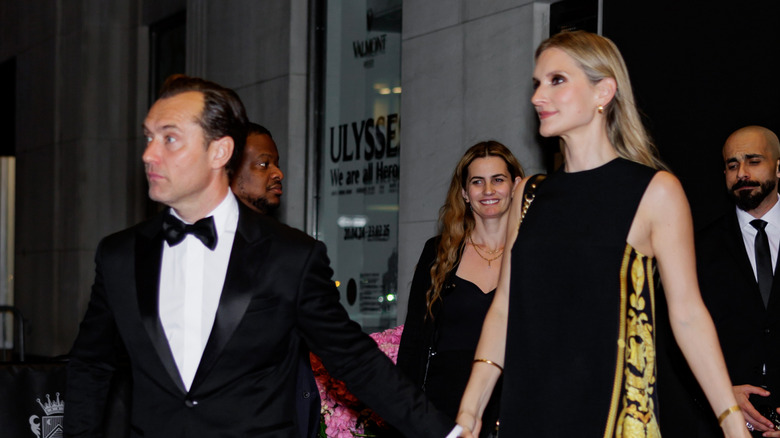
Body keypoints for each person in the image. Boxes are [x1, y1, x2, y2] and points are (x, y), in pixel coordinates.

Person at [65, 74, 453, 438]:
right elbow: (90, 367)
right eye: (149, 137)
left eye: (169, 139)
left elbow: (355, 361)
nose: (149, 154)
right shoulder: (119, 255)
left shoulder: (291, 256)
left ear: (220, 151)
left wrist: (446, 434)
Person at [455, 31, 750, 438]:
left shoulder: (655, 191)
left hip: (612, 416)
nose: (538, 96)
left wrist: (733, 425)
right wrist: (470, 410)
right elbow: (504, 309)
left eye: (556, 80)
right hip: (529, 412)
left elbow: (687, 316)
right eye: (537, 83)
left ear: (604, 91)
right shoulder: (529, 195)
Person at [394, 141, 523, 437]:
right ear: (464, 193)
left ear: (516, 186)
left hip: (516, 403)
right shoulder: (439, 252)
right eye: (477, 182)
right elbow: (414, 339)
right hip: (444, 408)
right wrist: (404, 415)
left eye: (498, 180)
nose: (488, 190)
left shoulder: (533, 253)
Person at [691, 126, 780, 436]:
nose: (742, 173)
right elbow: (678, 342)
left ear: (778, 166)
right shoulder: (697, 249)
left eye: (753, 161)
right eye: (732, 165)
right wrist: (723, 395)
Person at [231, 122, 284, 215]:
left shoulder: (277, 229)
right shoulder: (204, 227)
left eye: (277, 165)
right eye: (264, 164)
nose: (279, 174)